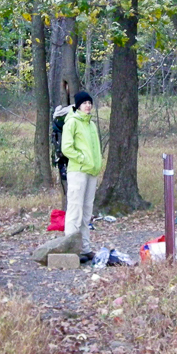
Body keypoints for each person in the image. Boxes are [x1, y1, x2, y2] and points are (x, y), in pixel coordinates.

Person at [60, 91, 102, 260]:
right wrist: (83, 159)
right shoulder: (72, 122)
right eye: (84, 103)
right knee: (75, 210)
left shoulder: (91, 124)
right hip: (78, 170)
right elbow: (67, 148)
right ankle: (70, 249)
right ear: (78, 105)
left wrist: (95, 163)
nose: (88, 105)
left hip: (92, 171)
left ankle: (85, 248)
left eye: (89, 103)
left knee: (86, 212)